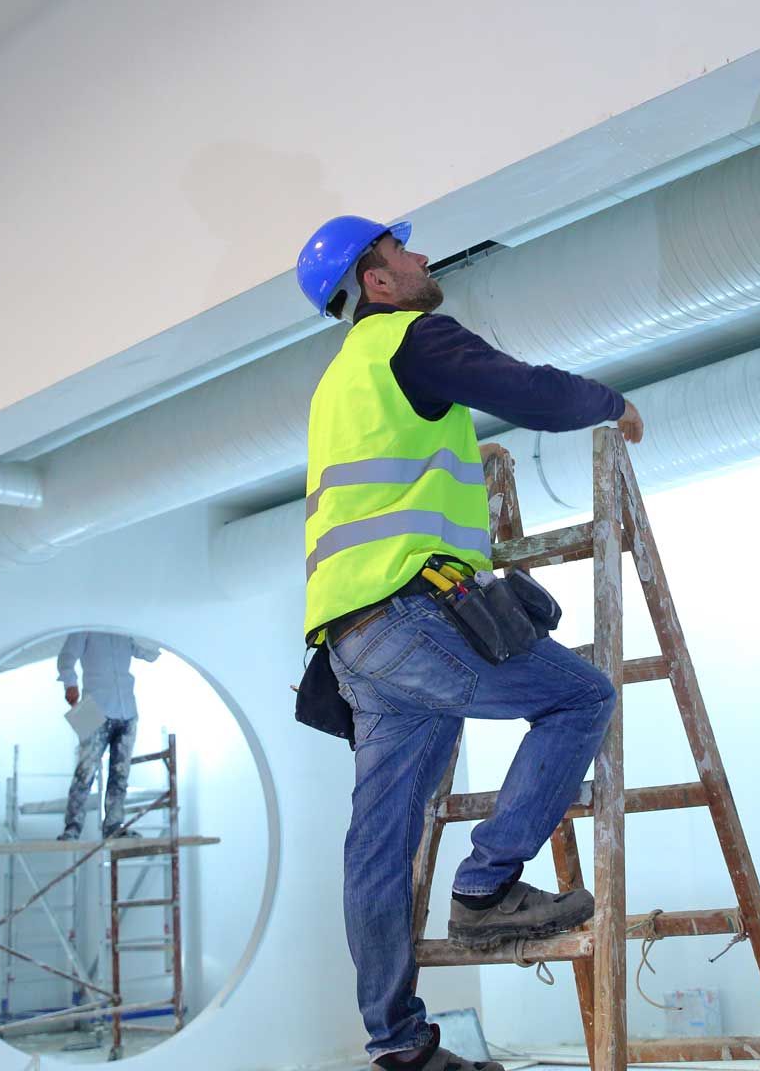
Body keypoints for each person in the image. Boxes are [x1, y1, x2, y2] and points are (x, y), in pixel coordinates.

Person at [295, 215, 643, 1071]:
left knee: (378, 845)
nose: (419, 258)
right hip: (411, 616)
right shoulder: (409, 338)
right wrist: (611, 403)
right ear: (376, 283)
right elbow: (527, 390)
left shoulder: (340, 379)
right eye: (402, 251)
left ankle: (399, 1045)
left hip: (351, 644)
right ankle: (486, 888)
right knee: (582, 695)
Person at [56, 630, 160, 841]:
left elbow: (151, 654)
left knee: (120, 775)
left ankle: (113, 827)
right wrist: (70, 683)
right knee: (85, 772)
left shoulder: (125, 631)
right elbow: (66, 657)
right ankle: (72, 829)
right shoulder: (86, 627)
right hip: (91, 707)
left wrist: (145, 627)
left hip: (128, 711)